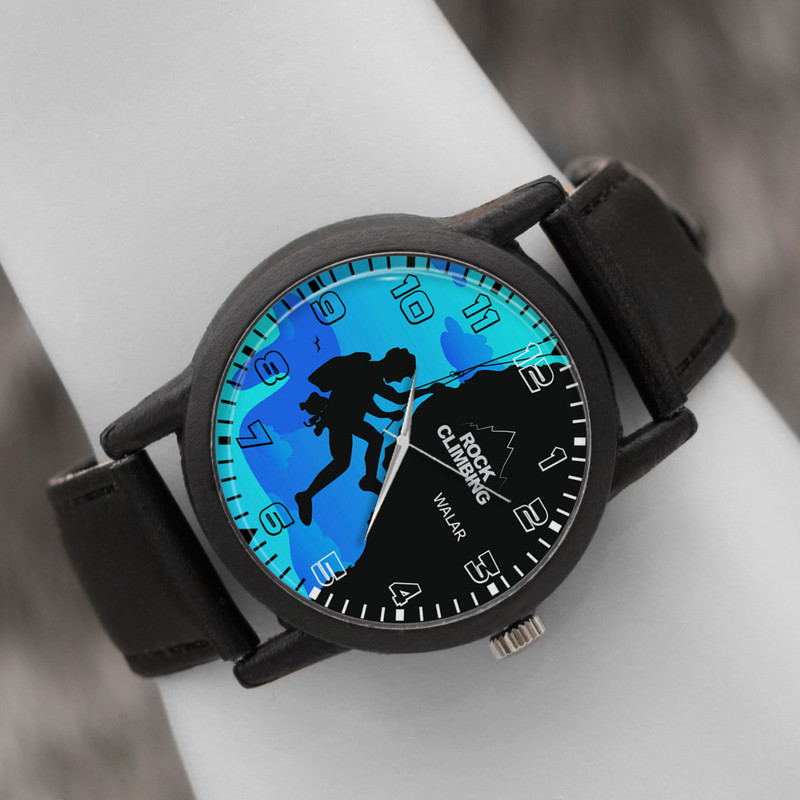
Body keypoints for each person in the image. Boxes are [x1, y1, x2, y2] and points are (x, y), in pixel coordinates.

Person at [295, 347, 415, 525]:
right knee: (342, 461)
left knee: (373, 440)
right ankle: (306, 495)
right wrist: (428, 390)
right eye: (401, 375)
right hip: (341, 418)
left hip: (349, 419)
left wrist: (388, 414)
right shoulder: (370, 373)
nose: (399, 380)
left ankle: (368, 479)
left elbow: (368, 403)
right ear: (394, 366)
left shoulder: (371, 374)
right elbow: (396, 398)